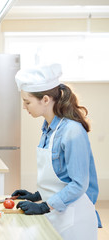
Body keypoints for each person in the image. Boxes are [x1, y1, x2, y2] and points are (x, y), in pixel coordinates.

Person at [12, 63, 101, 239]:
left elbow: (78, 184)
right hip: (57, 215)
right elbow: (61, 179)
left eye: (27, 101)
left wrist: (44, 206)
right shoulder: (48, 128)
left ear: (45, 99)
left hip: (75, 220)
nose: (24, 107)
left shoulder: (72, 131)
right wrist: (36, 196)